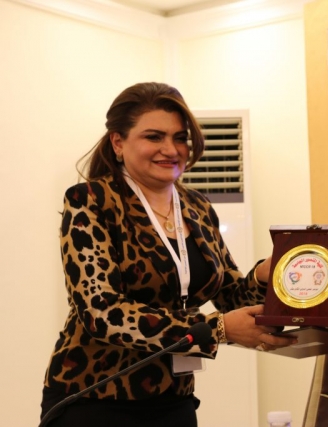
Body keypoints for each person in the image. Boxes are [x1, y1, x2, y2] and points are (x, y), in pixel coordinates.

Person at [40, 82, 294, 427]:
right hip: (94, 396)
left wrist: (265, 275)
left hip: (174, 397)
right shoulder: (90, 201)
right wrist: (217, 329)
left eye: (180, 137)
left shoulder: (197, 207)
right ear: (118, 142)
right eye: (154, 137)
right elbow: (101, 312)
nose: (171, 149)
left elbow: (230, 296)